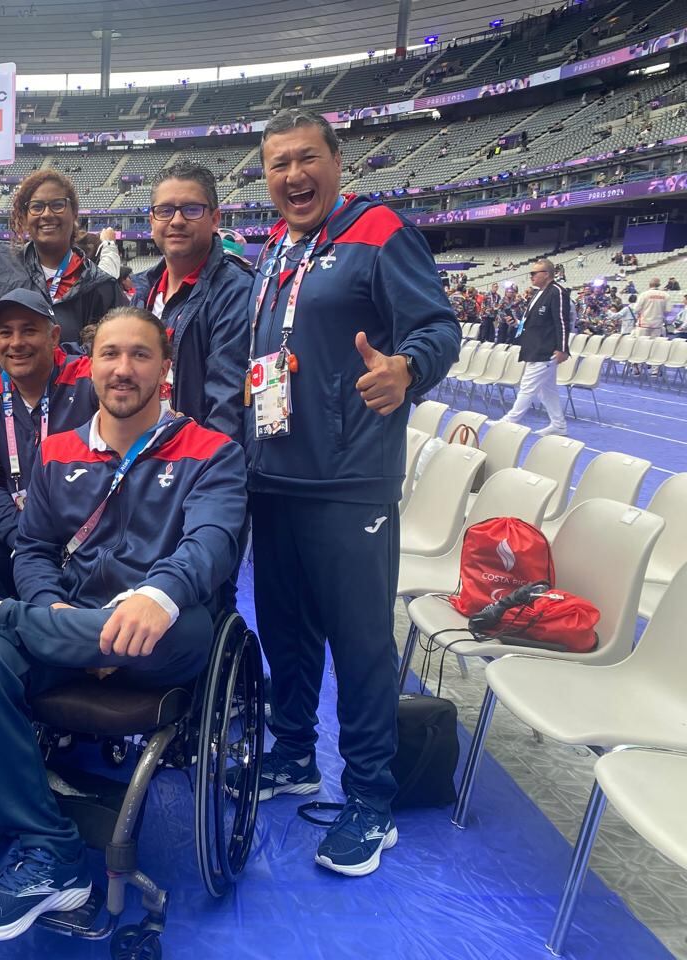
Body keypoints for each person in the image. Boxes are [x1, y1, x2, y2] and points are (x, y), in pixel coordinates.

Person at [0, 306, 246, 942]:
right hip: (70, 619)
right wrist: (50, 608)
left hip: (161, 632)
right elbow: (33, 549)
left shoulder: (213, 452)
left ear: (165, 367)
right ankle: (51, 850)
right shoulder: (58, 452)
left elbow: (211, 541)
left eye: (140, 355)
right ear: (91, 363)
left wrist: (159, 596)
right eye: (110, 354)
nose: (123, 369)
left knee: (182, 628)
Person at [244, 109, 460, 877]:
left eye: (306, 160)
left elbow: (438, 327)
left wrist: (408, 368)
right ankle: (295, 751)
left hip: (348, 479)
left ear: (338, 161)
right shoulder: (275, 248)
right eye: (278, 165)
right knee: (286, 629)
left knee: (360, 643)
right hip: (273, 473)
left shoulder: (378, 232)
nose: (293, 177)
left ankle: (371, 796)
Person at [0, 289, 97, 595]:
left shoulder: (89, 378)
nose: (16, 343)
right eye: (6, 333)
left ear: (54, 336)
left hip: (85, 527)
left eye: (29, 330)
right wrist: (24, 539)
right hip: (18, 527)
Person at [131, 161, 252, 440]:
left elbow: (227, 404)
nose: (176, 221)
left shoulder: (235, 290)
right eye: (165, 211)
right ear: (151, 222)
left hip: (194, 466)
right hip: (146, 456)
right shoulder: (141, 291)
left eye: (191, 209)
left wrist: (204, 472)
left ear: (215, 219)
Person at [0, 170, 126, 347]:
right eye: (37, 207)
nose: (46, 214)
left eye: (57, 205)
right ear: (25, 217)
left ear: (74, 213)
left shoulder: (102, 287)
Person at [494, 258, 570, 437]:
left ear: (546, 274)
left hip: (546, 349)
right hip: (534, 346)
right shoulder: (538, 293)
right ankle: (559, 425)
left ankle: (509, 421)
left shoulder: (557, 292)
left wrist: (563, 348)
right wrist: (516, 324)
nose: (531, 276)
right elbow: (532, 322)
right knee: (546, 391)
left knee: (528, 386)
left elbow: (562, 321)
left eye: (534, 273)